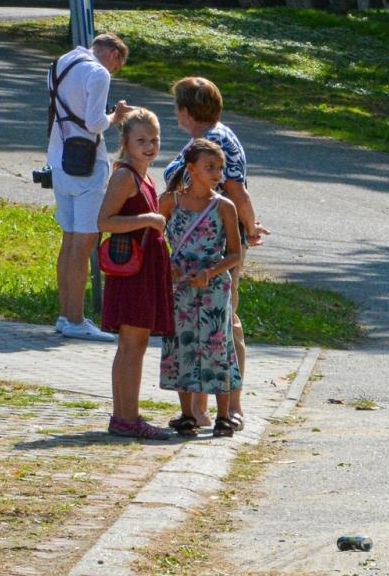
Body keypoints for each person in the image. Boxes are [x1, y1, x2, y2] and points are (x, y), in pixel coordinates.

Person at [166, 77, 267, 434]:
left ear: (185, 109)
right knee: (196, 328)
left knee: (223, 326)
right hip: (190, 257)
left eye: (177, 105)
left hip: (215, 254)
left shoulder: (215, 141)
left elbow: (236, 191)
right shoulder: (210, 137)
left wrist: (250, 228)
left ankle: (229, 407)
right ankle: (198, 409)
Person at [47, 32, 133, 342]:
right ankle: (76, 318)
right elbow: (95, 123)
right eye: (117, 66)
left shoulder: (60, 63)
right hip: (87, 165)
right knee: (84, 243)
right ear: (113, 55)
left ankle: (64, 314)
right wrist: (116, 116)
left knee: (69, 239)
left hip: (59, 158)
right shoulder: (97, 72)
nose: (114, 71)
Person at [96, 107, 175, 440]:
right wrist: (147, 219)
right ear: (126, 142)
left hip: (146, 266)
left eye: (154, 140)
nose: (149, 146)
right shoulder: (124, 175)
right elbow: (104, 222)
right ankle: (125, 419)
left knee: (137, 343)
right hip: (131, 268)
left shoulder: (145, 175)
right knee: (130, 344)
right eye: (141, 140)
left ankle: (128, 416)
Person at [159, 140, 244, 438]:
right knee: (182, 344)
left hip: (213, 288)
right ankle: (187, 414)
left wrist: (210, 272)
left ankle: (223, 415)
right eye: (210, 167)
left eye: (220, 168)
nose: (217, 174)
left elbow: (235, 252)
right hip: (180, 286)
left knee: (216, 345)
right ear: (191, 168)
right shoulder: (169, 201)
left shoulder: (224, 206)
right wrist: (168, 267)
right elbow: (155, 241)